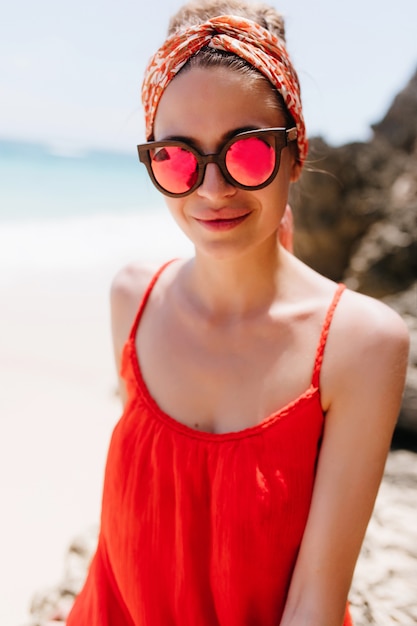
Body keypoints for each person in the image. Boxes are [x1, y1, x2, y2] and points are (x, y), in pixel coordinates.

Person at [66, 1, 409, 625]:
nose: (212, 189)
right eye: (176, 157)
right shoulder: (131, 301)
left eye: (247, 151)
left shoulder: (359, 344)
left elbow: (314, 603)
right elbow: (132, 546)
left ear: (296, 154)